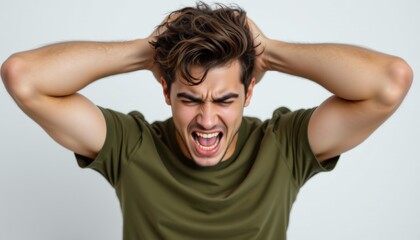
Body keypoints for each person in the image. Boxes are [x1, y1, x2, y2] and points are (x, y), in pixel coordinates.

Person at [1, 2, 413, 240]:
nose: (207, 118)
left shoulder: (283, 146)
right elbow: (24, 77)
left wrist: (270, 51)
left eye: (226, 99)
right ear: (166, 92)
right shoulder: (131, 146)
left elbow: (389, 83)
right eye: (190, 98)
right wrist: (147, 51)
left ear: (249, 93)